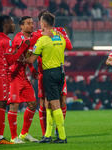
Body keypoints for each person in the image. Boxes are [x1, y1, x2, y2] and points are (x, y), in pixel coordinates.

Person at [0, 15, 29, 144]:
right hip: (0, 75)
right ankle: (0, 137)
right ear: (6, 25)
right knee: (1, 105)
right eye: (12, 23)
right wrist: (23, 48)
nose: (14, 25)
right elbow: (10, 61)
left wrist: (14, 50)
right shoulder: (6, 40)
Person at [25, 13, 67, 143]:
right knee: (48, 103)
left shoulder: (42, 40)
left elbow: (32, 59)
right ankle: (47, 135)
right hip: (61, 72)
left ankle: (62, 136)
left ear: (43, 24)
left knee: (54, 104)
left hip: (49, 73)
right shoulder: (60, 37)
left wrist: (21, 59)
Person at [34, 10, 72, 138]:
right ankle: (46, 133)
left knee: (61, 101)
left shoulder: (59, 31)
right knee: (45, 103)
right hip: (44, 72)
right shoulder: (37, 34)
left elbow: (70, 46)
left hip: (54, 70)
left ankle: (58, 132)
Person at [7, 16, 39, 144]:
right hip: (14, 76)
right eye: (28, 23)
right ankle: (13, 137)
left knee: (32, 103)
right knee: (14, 105)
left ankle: (24, 133)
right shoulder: (18, 38)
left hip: (23, 77)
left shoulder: (30, 39)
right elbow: (16, 55)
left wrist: (32, 69)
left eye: (32, 23)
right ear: (21, 26)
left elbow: (27, 57)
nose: (31, 25)